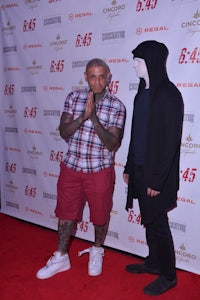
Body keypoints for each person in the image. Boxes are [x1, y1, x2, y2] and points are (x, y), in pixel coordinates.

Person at [36, 58, 126, 279]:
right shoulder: (73, 97)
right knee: (66, 214)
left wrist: (93, 118)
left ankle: (96, 250)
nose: (97, 81)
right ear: (86, 76)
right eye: (92, 76)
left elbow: (113, 144)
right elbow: (64, 132)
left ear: (109, 78)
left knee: (100, 215)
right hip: (72, 167)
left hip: (100, 169)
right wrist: (82, 117)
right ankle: (61, 257)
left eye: (101, 76)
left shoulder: (117, 106)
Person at [123, 41, 184, 296]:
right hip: (139, 170)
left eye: (139, 60)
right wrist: (128, 165)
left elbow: (170, 144)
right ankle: (153, 262)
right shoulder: (141, 93)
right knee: (150, 222)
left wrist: (157, 181)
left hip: (157, 176)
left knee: (159, 223)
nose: (134, 64)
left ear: (153, 62)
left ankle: (169, 275)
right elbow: (136, 133)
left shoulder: (169, 95)